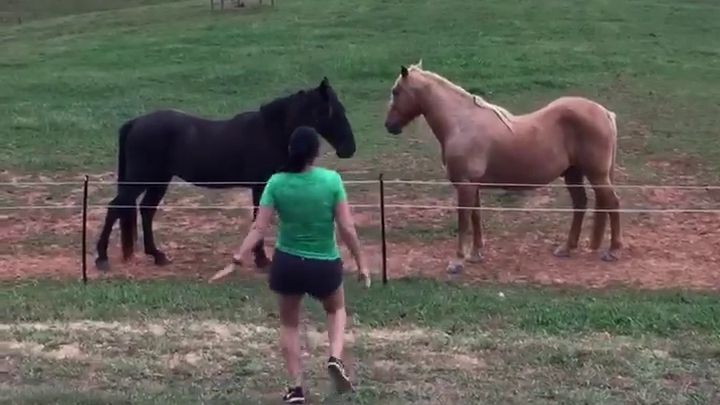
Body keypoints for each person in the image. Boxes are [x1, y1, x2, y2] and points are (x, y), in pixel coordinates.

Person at [228, 125, 371, 403]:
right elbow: (347, 228)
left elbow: (259, 228)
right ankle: (335, 357)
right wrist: (362, 262)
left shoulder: (276, 182)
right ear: (316, 153)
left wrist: (238, 257)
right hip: (324, 265)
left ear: (290, 151)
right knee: (336, 309)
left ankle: (295, 388)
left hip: (288, 264)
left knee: (290, 325)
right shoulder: (332, 181)